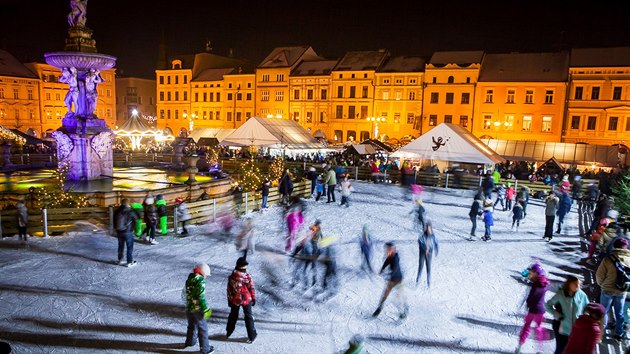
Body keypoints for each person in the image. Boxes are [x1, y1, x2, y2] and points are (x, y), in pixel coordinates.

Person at [596, 238, 630, 340]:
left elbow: (599, 275)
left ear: (614, 246)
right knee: (619, 312)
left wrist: (602, 284)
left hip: (607, 289)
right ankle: (619, 333)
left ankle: (601, 332)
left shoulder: (608, 259)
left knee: (603, 312)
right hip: (622, 290)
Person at [545, 275, 590, 354]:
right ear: (569, 284)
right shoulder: (561, 294)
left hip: (576, 329)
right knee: (560, 349)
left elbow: (587, 308)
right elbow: (548, 305)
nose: (578, 286)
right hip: (561, 328)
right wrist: (556, 314)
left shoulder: (582, 295)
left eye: (579, 284)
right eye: (575, 284)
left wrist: (584, 318)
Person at [515, 263, 549, 354]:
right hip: (541, 310)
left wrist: (528, 303)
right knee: (539, 328)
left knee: (526, 327)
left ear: (536, 273)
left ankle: (519, 346)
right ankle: (540, 349)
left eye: (532, 272)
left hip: (533, 310)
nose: (530, 274)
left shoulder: (536, 285)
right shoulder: (545, 283)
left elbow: (531, 297)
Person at [373, 242, 408, 319]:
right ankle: (379, 308)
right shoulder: (390, 256)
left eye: (389, 249)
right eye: (386, 250)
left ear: (393, 249)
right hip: (392, 280)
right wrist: (382, 269)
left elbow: (395, 269)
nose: (387, 251)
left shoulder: (395, 257)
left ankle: (403, 311)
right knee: (385, 294)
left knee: (399, 297)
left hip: (399, 280)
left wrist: (389, 275)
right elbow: (386, 262)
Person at [226, 257, 257, 344]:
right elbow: (251, 287)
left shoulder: (232, 276)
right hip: (246, 299)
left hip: (235, 299)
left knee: (233, 315)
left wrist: (229, 300)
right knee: (248, 316)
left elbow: (229, 290)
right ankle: (252, 335)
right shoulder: (246, 276)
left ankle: (229, 331)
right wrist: (253, 298)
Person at [184, 262, 214, 354]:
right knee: (203, 328)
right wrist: (205, 308)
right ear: (203, 272)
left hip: (189, 306)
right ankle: (205, 349)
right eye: (206, 275)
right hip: (197, 308)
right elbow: (200, 296)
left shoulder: (190, 278)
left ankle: (190, 342)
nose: (206, 277)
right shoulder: (200, 280)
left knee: (191, 325)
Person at [114, 199, 138, 267]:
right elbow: (136, 220)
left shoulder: (117, 210)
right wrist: (136, 230)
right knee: (129, 247)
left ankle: (120, 259)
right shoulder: (130, 211)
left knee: (121, 246)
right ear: (128, 204)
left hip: (119, 231)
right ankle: (129, 261)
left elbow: (114, 221)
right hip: (128, 231)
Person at [416, 221, 439, 287]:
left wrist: (436, 250)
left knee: (428, 267)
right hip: (422, 252)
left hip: (429, 253)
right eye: (427, 228)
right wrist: (425, 248)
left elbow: (436, 243)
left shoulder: (433, 236)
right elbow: (419, 242)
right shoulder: (423, 235)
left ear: (431, 228)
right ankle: (418, 280)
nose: (428, 229)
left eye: (429, 228)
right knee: (421, 266)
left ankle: (429, 282)